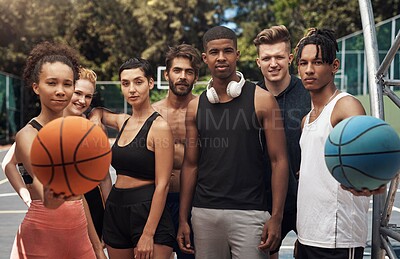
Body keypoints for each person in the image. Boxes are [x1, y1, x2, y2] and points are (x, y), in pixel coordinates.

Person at [177, 25, 289, 259]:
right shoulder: (195, 107)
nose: (221, 58)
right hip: (204, 213)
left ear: (237, 55)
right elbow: (190, 165)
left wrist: (276, 217)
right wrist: (183, 219)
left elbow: (279, 161)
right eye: (214, 52)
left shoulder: (263, 100)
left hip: (251, 213)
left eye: (227, 51)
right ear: (205, 58)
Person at [7, 41, 105, 258]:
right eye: (52, 83)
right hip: (43, 232)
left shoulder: (78, 130)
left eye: (67, 84)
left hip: (78, 229)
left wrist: (97, 246)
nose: (61, 91)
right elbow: (52, 197)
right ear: (36, 87)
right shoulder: (27, 135)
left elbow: (78, 197)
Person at [294, 28, 385, 259]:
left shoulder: (346, 106)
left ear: (334, 66)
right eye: (303, 63)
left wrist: (371, 180)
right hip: (308, 235)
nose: (309, 70)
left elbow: (371, 157)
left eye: (317, 62)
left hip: (338, 238)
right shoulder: (307, 119)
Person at [89, 57, 175, 259]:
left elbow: (163, 185)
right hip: (115, 210)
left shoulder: (159, 127)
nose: (132, 89)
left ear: (150, 83)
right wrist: (94, 118)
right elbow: (98, 111)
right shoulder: (123, 121)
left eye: (138, 82)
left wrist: (148, 233)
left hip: (147, 212)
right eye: (125, 84)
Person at [253, 25, 311, 259]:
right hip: (263, 200)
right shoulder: (250, 97)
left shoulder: (310, 92)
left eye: (279, 57)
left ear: (290, 58)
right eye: (266, 58)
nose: (273, 63)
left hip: (306, 199)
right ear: (258, 62)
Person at [152, 44, 201, 259]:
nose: (183, 77)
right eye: (177, 70)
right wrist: (97, 113)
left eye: (189, 72)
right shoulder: (152, 112)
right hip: (157, 201)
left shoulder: (205, 110)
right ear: (166, 74)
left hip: (194, 202)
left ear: (196, 77)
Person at [63, 67, 112, 240]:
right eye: (78, 93)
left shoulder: (96, 129)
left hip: (92, 209)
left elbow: (104, 178)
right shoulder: (47, 125)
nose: (82, 100)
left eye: (88, 96)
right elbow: (9, 163)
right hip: (60, 212)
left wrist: (111, 218)